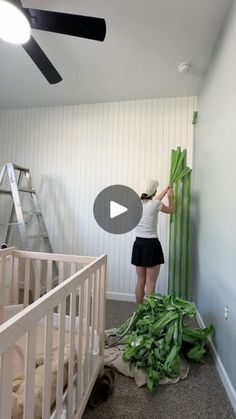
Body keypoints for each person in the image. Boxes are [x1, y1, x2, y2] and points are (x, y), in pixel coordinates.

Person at [131, 179, 175, 304]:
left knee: (140, 281)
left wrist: (165, 189)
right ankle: (148, 314)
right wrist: (170, 196)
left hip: (138, 245)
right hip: (151, 246)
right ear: (154, 192)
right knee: (150, 283)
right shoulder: (156, 204)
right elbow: (172, 210)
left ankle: (140, 311)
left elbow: (154, 199)